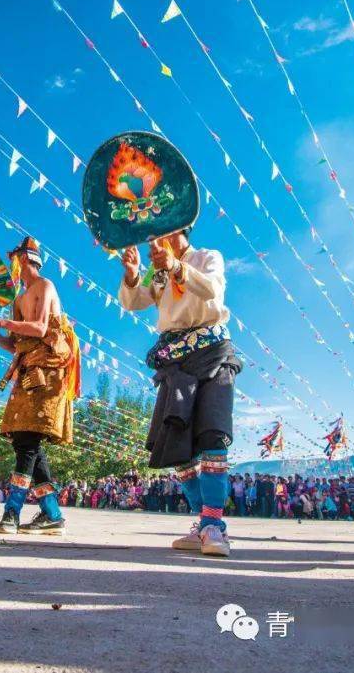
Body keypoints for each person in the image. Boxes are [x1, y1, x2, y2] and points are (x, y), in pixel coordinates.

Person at [118, 229, 240, 557]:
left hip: (212, 352)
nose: (153, 240)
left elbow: (212, 289)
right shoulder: (157, 275)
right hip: (175, 361)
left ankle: (214, 526)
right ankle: (203, 523)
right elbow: (133, 302)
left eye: (161, 232)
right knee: (178, 445)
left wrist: (175, 266)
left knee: (212, 436)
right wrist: (131, 276)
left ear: (179, 228)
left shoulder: (207, 257)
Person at [0, 237, 79, 535]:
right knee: (25, 442)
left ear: (25, 260)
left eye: (16, 260)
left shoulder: (45, 286)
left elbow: (40, 328)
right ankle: (52, 514)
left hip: (49, 372)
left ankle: (11, 513)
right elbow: (20, 345)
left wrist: (2, 322)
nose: (13, 266)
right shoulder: (19, 299)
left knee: (28, 443)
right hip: (26, 371)